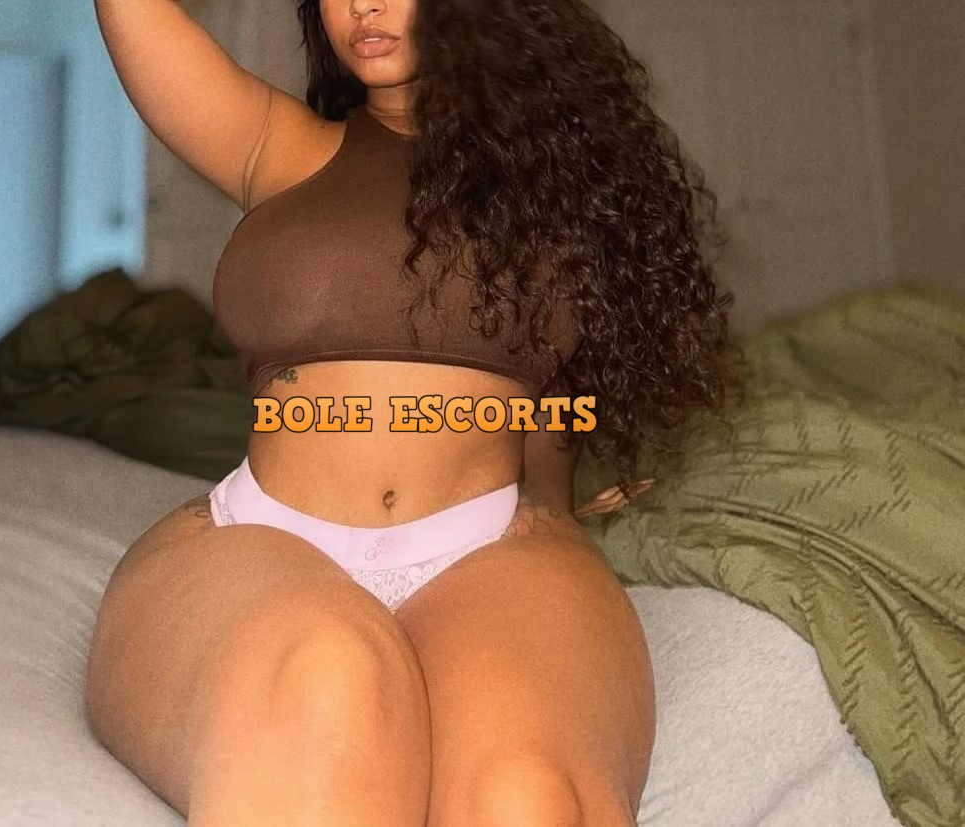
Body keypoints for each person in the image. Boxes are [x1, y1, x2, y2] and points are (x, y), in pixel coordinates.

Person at [86, 0, 738, 824]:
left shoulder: (563, 194)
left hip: (482, 548)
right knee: (331, 682)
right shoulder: (279, 147)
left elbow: (556, 418)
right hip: (264, 539)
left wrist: (560, 533)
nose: (364, 4)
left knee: (524, 801)